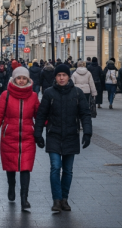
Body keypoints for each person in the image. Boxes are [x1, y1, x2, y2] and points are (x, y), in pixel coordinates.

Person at [34, 63, 92, 213]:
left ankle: (64, 199)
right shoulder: (49, 93)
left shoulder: (77, 93)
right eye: (59, 75)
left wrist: (87, 132)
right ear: (55, 77)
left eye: (64, 75)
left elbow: (85, 114)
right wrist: (38, 133)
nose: (61, 78)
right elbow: (41, 115)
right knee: (55, 167)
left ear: (68, 77)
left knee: (68, 170)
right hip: (53, 135)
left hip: (71, 135)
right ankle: (57, 199)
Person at [0, 66, 40, 211]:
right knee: (11, 166)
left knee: (25, 168)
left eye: (24, 78)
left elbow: (39, 116)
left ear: (28, 79)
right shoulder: (6, 95)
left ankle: (24, 199)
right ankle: (11, 187)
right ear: (14, 79)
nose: (22, 81)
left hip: (27, 137)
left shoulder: (33, 96)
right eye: (19, 78)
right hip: (9, 136)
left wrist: (47, 128)